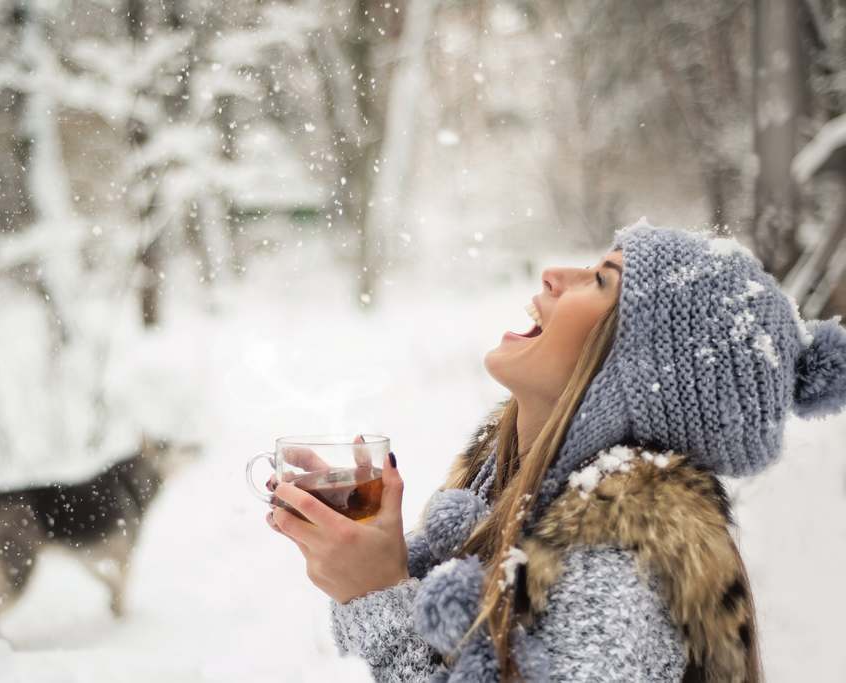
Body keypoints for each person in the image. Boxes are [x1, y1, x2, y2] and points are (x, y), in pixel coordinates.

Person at [264, 218, 846, 682]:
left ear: (640, 376)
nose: (553, 274)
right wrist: (370, 560)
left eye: (600, 281)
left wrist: (376, 597)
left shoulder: (622, 575)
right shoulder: (499, 482)